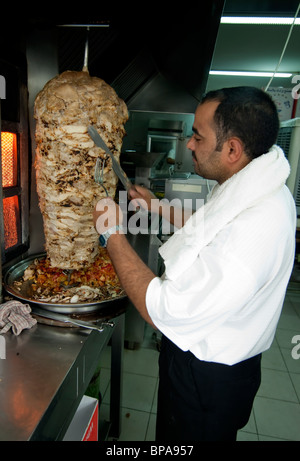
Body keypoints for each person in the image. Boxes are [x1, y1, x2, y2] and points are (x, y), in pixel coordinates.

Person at [93, 86, 296, 441]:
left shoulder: (250, 233)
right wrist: (154, 204)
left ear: (232, 149)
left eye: (197, 136)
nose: (188, 144)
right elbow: (210, 224)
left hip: (207, 376)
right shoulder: (256, 183)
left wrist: (111, 234)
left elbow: (163, 309)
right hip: (214, 362)